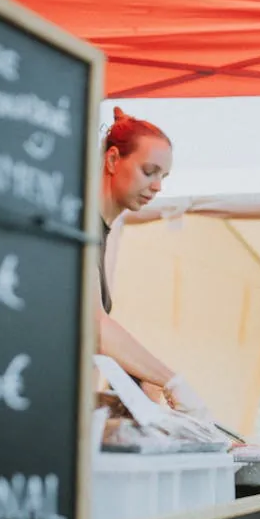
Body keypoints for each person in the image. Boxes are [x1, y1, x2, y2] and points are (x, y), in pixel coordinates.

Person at [96, 107, 209, 418]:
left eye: (164, 176)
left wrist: (142, 378)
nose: (159, 186)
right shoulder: (81, 223)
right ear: (112, 160)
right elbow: (95, 325)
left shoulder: (100, 229)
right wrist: (171, 381)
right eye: (149, 171)